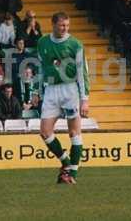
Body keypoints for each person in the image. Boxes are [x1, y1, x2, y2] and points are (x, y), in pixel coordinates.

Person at [37, 12, 89, 184]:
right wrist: (37, 91)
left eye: (67, 25)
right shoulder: (42, 42)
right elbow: (41, 69)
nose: (65, 28)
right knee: (45, 132)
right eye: (62, 25)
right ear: (53, 24)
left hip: (70, 90)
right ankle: (66, 162)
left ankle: (72, 174)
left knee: (74, 132)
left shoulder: (75, 44)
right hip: (51, 89)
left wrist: (85, 99)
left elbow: (83, 73)